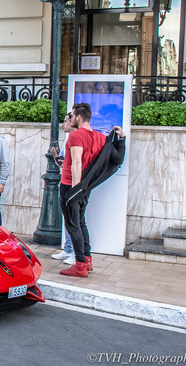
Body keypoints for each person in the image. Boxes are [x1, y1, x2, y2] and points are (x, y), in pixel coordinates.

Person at [59, 103, 126, 278]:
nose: (71, 119)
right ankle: (87, 260)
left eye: (72, 116)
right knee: (80, 222)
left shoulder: (76, 136)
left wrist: (74, 191)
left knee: (72, 224)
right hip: (86, 187)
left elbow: (76, 163)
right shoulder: (101, 138)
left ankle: (79, 265)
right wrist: (122, 140)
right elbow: (118, 159)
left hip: (71, 186)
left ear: (79, 117)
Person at [50, 112, 77, 264]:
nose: (63, 124)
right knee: (68, 219)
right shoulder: (68, 140)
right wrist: (55, 156)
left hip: (73, 184)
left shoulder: (76, 139)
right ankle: (68, 249)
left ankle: (75, 251)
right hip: (66, 182)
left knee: (74, 219)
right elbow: (63, 163)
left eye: (66, 121)